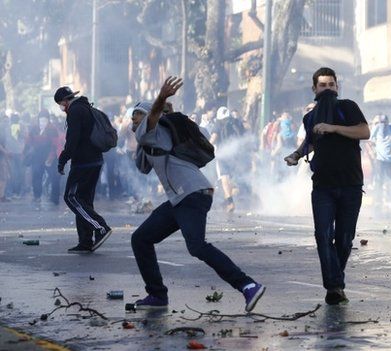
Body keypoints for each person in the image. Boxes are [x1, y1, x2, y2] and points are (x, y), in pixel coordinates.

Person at [130, 77, 265, 311]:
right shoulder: (153, 137)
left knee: (197, 246)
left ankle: (248, 285)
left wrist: (161, 99)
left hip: (192, 194)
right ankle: (157, 295)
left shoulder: (155, 129)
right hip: (180, 198)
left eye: (137, 116)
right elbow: (142, 167)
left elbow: (155, 124)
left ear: (149, 115)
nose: (133, 121)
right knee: (140, 238)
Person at [284, 67, 370, 305]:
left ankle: (336, 281)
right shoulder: (310, 118)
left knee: (344, 238)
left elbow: (364, 131)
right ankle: (333, 286)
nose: (327, 89)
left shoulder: (347, 107)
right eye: (323, 85)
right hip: (322, 185)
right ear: (314, 89)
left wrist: (334, 128)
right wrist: (296, 155)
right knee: (323, 235)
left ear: (337, 87)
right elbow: (310, 143)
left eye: (331, 85)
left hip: (351, 184)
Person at [55, 86, 112, 253]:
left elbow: (72, 140)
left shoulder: (75, 112)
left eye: (61, 104)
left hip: (83, 163)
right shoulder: (86, 107)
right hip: (95, 160)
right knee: (83, 200)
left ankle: (100, 227)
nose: (62, 108)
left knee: (71, 197)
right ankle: (85, 241)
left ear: (65, 101)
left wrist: (62, 159)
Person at [210, 106, 245, 212]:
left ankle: (230, 202)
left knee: (224, 178)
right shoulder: (235, 122)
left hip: (222, 155)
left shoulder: (218, 124)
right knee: (230, 179)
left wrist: (203, 148)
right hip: (235, 154)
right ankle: (228, 202)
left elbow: (213, 139)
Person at [369, 114, 391, 212]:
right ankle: (378, 201)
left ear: (387, 122)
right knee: (379, 181)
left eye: (384, 122)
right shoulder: (377, 128)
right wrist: (374, 151)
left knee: (390, 181)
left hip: (390, 159)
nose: (382, 124)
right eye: (381, 122)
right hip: (379, 159)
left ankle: (389, 200)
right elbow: (370, 140)